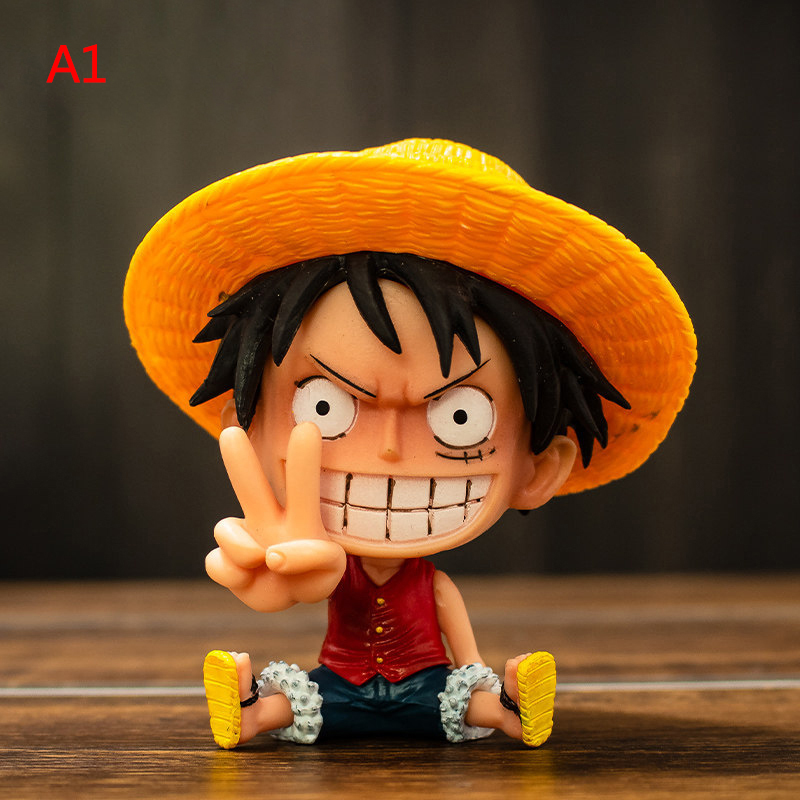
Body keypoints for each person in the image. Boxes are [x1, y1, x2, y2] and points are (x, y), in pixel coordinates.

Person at [124, 138, 696, 749]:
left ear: (539, 468)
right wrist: (282, 583)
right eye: (325, 406)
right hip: (341, 685)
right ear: (251, 429)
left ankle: (509, 706)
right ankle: (250, 711)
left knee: (464, 702)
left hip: (426, 686)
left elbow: (460, 645)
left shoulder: (432, 585)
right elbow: (303, 582)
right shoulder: (331, 570)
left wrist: (475, 673)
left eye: (459, 416)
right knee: (302, 700)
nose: (391, 451)